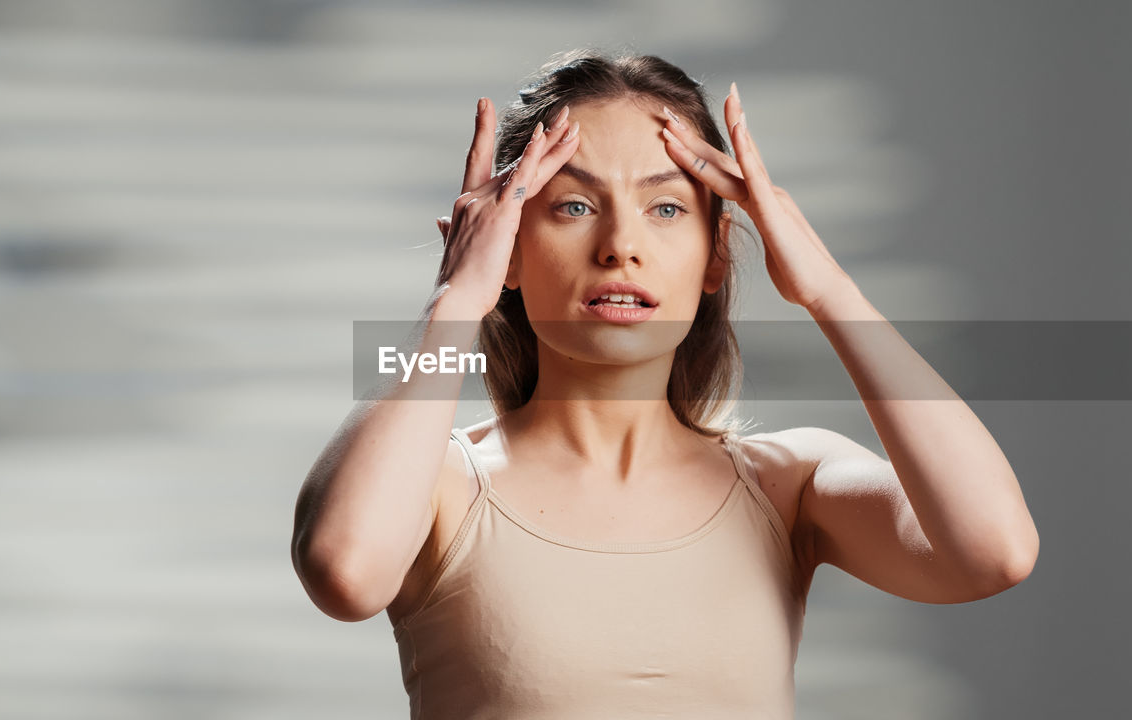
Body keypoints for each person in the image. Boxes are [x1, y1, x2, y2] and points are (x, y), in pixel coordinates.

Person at [291, 49, 1039, 719]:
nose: (621, 247)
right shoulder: (443, 485)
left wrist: (830, 291)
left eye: (667, 208)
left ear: (715, 259)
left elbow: (994, 551)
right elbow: (345, 573)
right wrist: (454, 303)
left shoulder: (790, 484)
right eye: (575, 206)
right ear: (508, 251)